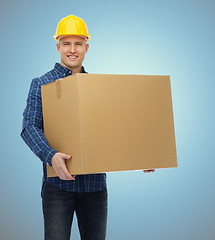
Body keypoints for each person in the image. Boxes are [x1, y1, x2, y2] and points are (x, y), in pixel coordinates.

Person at [21, 14, 154, 240]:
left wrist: (141, 156)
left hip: (95, 188)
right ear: (58, 46)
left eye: (78, 44)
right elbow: (29, 127)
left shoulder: (98, 87)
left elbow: (115, 130)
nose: (72, 50)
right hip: (57, 187)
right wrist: (50, 155)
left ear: (86, 47)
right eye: (67, 44)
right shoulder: (42, 83)